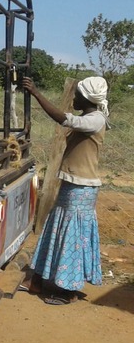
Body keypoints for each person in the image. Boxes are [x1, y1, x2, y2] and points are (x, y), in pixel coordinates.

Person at [21, 76, 110, 305]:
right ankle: (38, 281)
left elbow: (64, 119)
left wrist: (37, 93)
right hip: (73, 184)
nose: (74, 98)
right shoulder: (90, 117)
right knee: (56, 228)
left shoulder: (96, 119)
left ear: (88, 97)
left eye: (77, 95)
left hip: (82, 187)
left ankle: (66, 288)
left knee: (71, 234)